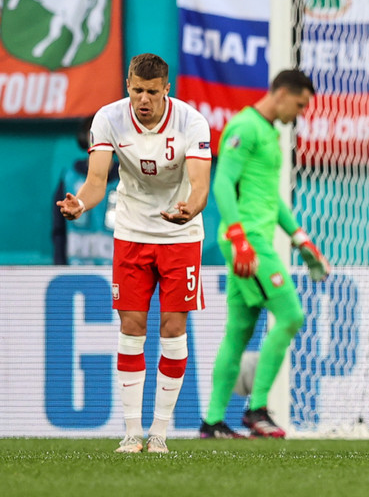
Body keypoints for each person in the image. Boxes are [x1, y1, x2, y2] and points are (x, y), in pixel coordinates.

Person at [56, 53, 212, 454]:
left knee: (174, 329)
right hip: (132, 232)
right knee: (132, 326)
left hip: (180, 234)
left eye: (152, 92)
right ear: (128, 85)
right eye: (137, 90)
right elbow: (95, 181)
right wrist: (81, 205)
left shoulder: (192, 122)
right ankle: (131, 433)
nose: (143, 99)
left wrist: (189, 209)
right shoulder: (108, 118)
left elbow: (199, 187)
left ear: (166, 90)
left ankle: (159, 434)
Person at [200, 69, 331, 439]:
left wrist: (299, 237)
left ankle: (211, 422)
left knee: (238, 332)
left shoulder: (271, 133)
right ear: (282, 94)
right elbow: (223, 181)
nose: (301, 113)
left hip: (254, 238)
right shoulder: (245, 126)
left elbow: (270, 198)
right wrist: (240, 237)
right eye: (300, 104)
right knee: (290, 316)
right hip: (250, 242)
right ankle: (257, 409)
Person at [52, 115, 120, 265]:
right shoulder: (69, 178)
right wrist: (59, 266)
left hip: (117, 270)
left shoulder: (127, 180)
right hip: (75, 269)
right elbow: (59, 230)